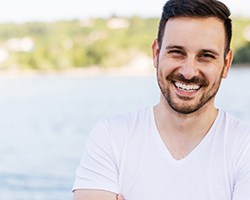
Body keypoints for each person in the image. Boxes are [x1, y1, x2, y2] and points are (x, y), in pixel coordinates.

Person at [73, 0, 250, 199]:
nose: (189, 71)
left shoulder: (244, 147)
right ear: (156, 54)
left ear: (226, 64)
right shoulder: (111, 137)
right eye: (177, 53)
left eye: (206, 56)